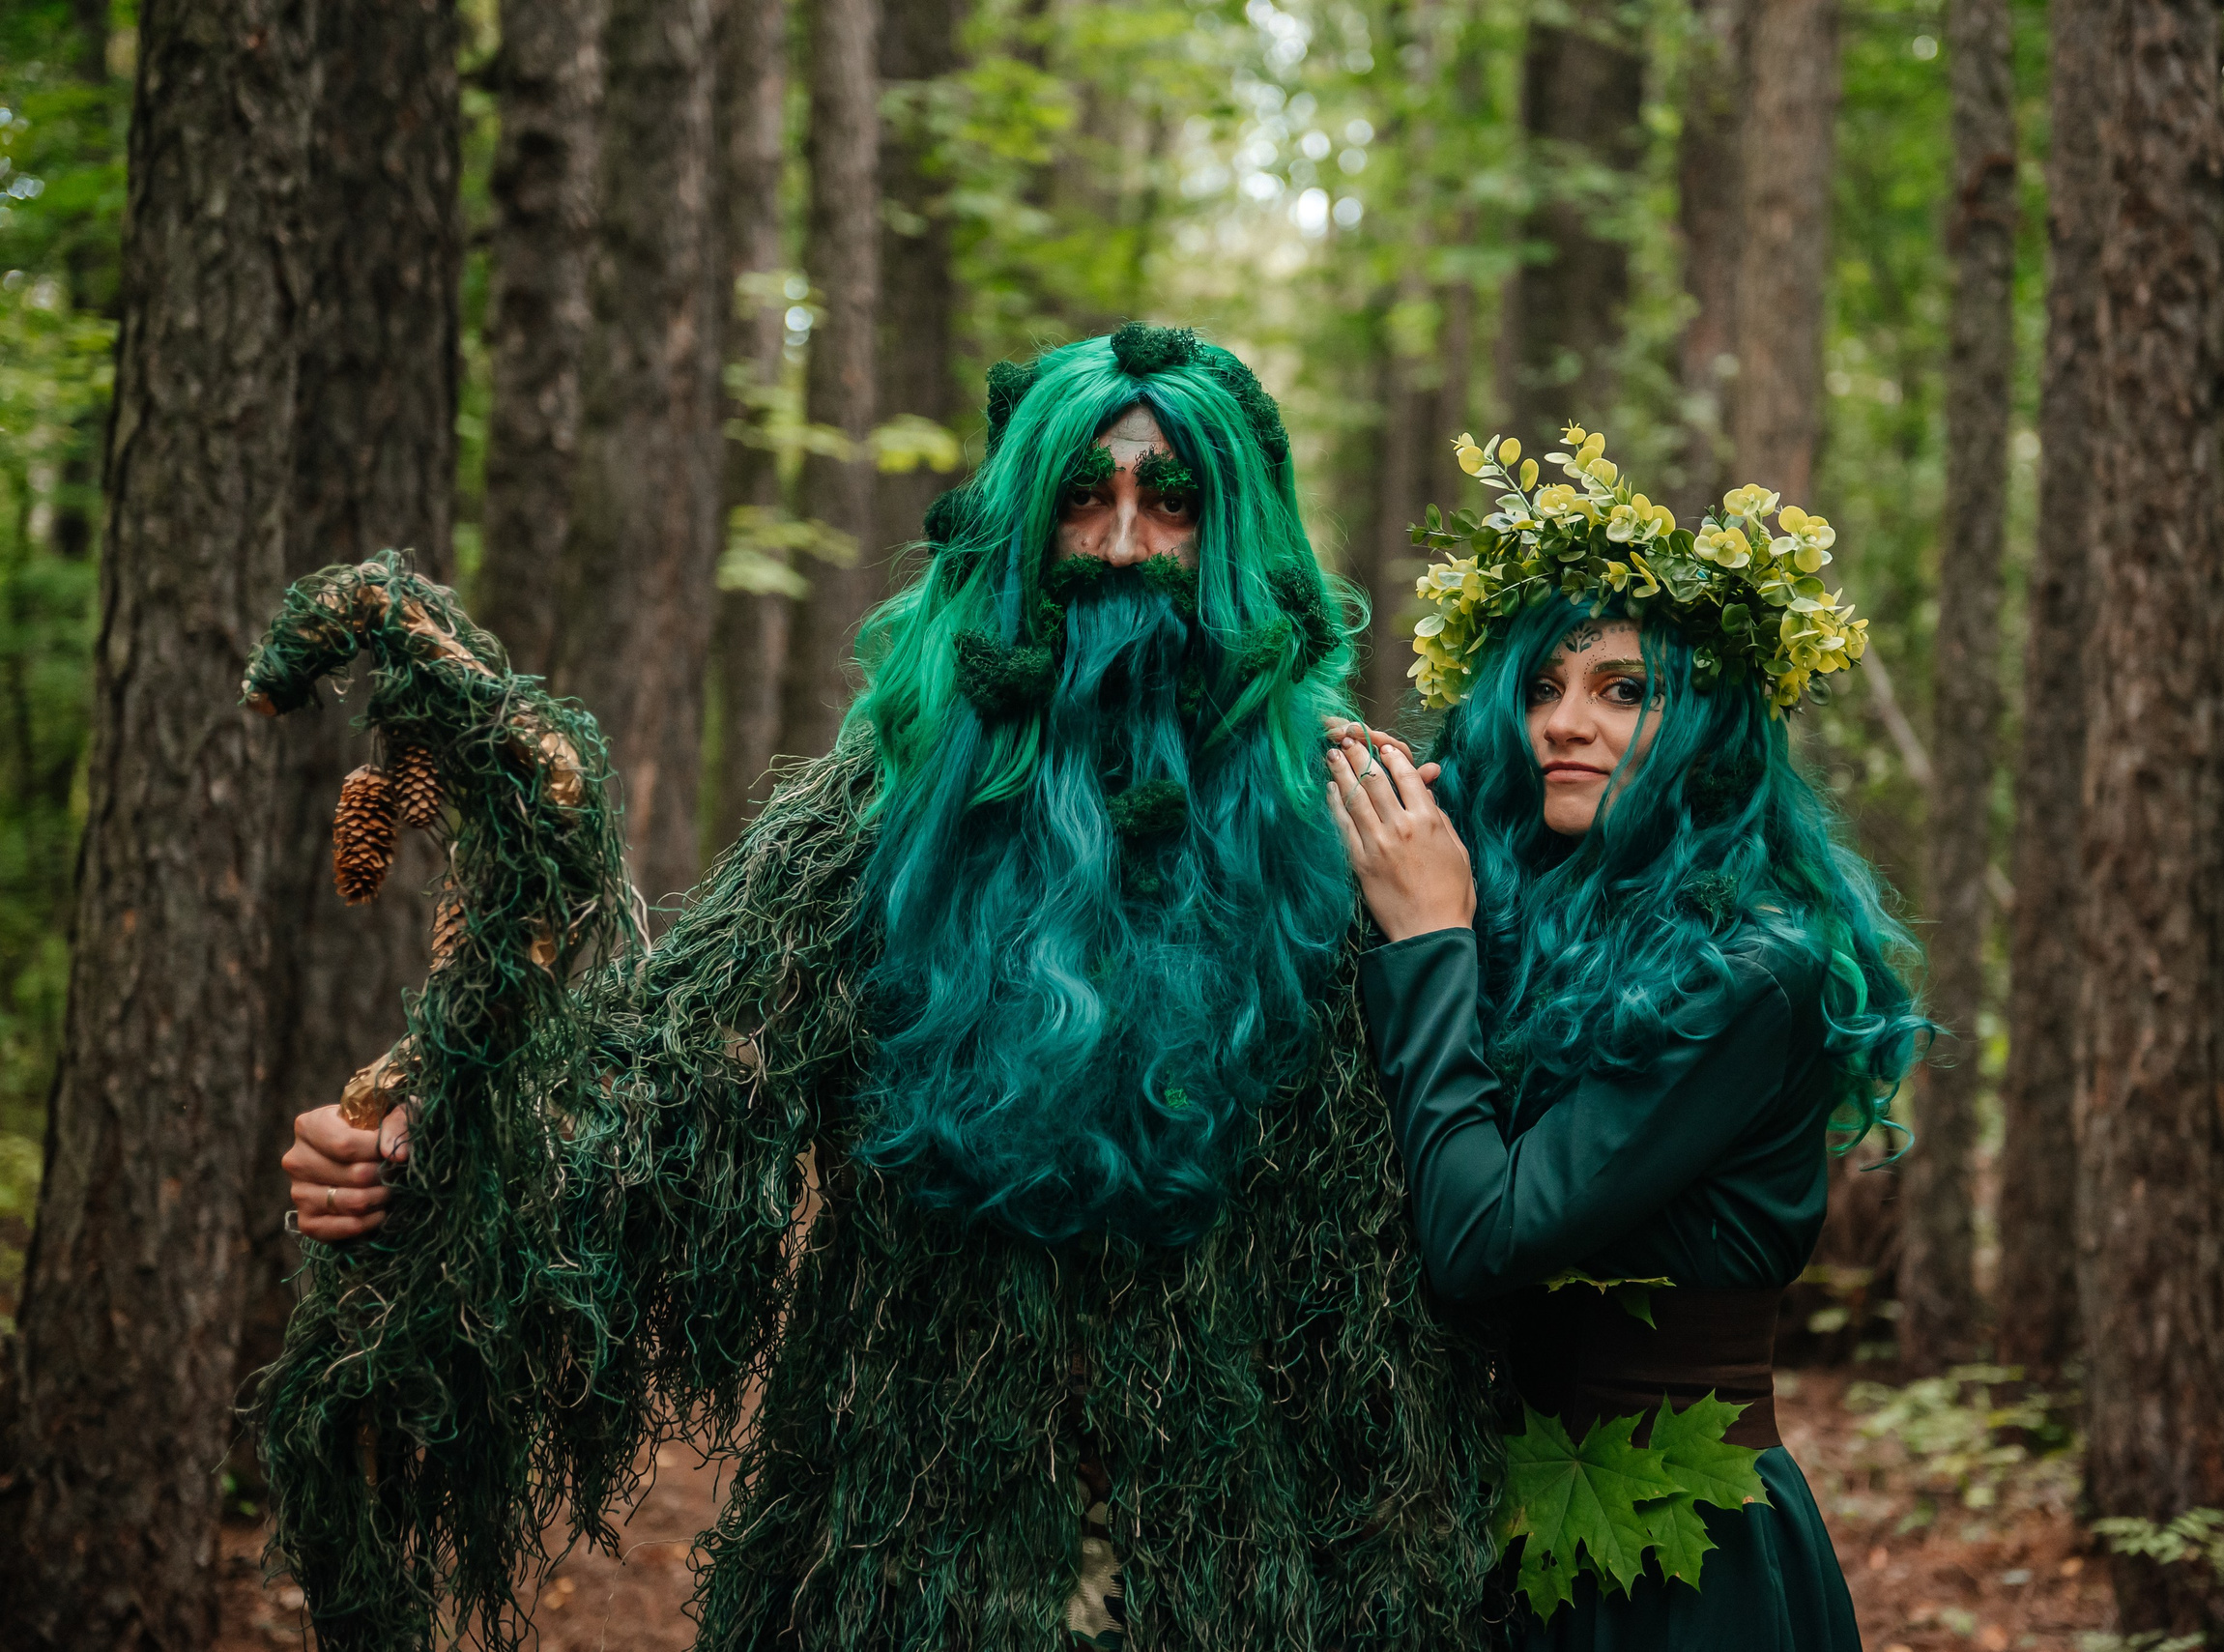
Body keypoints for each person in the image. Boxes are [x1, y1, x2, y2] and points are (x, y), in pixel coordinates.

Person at [261, 327, 1496, 1652]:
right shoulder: (883, 804)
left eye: (1171, 503)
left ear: (1234, 533)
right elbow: (677, 1106)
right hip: (908, 1545)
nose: (1125, 543)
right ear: (1020, 526)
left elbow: (1463, 1187)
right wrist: (436, 1154)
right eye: (1084, 496)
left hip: (1248, 1564)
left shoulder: (1354, 812)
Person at [1317, 432, 1928, 1649]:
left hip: (1681, 1565)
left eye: (1623, 689)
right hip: (1507, 1528)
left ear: (1705, 723)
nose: (1565, 723)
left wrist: (1430, 935)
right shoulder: (1550, 920)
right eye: (1541, 687)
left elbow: (1481, 1234)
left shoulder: (1755, 964)